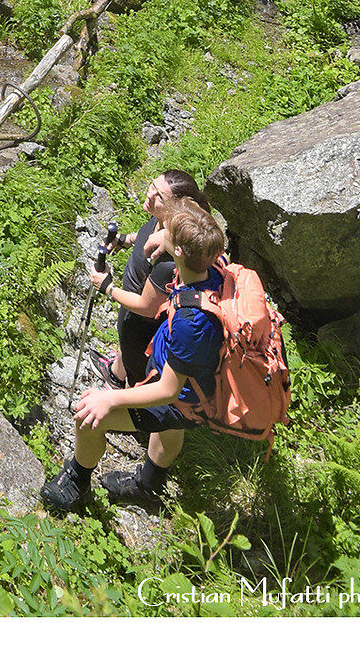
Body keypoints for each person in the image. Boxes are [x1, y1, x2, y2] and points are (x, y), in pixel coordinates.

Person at [42, 198, 228, 515]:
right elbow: (194, 222)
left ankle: (77, 483)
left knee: (89, 418)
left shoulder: (191, 324)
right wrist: (158, 234)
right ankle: (149, 486)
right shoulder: (213, 264)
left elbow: (169, 391)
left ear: (179, 252)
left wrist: (111, 399)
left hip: (184, 397)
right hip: (199, 380)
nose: (160, 231)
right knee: (171, 428)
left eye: (166, 230)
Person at [96, 168, 204, 390]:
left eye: (160, 197)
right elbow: (147, 233)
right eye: (153, 186)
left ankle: (126, 413)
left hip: (141, 329)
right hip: (130, 316)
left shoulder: (168, 260)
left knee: (137, 377)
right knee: (125, 354)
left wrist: (107, 287)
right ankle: (115, 374)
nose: (150, 195)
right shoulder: (164, 226)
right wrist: (127, 239)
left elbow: (147, 307)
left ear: (177, 209)